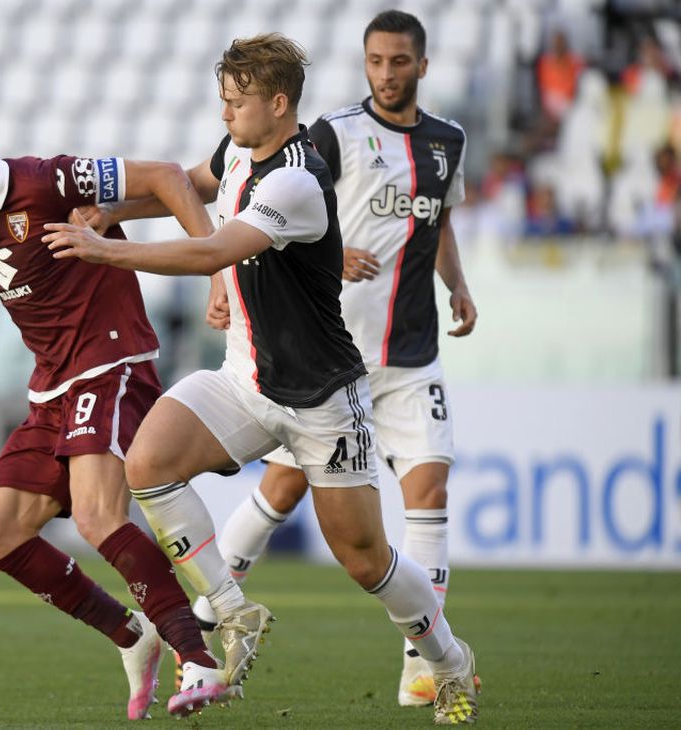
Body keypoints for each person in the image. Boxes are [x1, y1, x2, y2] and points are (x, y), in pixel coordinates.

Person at [45, 32, 480, 725]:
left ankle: (451, 663)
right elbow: (189, 185)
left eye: (236, 104)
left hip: (322, 401)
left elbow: (217, 247)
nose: (225, 116)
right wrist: (115, 213)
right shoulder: (242, 152)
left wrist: (107, 253)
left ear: (278, 104)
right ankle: (232, 611)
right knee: (149, 463)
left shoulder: (297, 182)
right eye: (222, 101)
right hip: (246, 381)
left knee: (365, 560)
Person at [0, 105, 237, 719]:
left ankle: (197, 658)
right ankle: (132, 636)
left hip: (110, 362)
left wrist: (216, 268)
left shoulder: (49, 181)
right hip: (51, 386)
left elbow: (168, 176)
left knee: (95, 515)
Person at [166, 11, 480, 713]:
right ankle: (222, 613)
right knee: (274, 493)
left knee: (414, 508)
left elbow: (435, 218)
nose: (387, 73)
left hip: (402, 355)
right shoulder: (333, 134)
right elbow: (288, 216)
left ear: (421, 66)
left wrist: (456, 283)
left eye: (400, 61)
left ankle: (428, 665)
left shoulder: (446, 143)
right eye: (376, 60)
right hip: (313, 348)